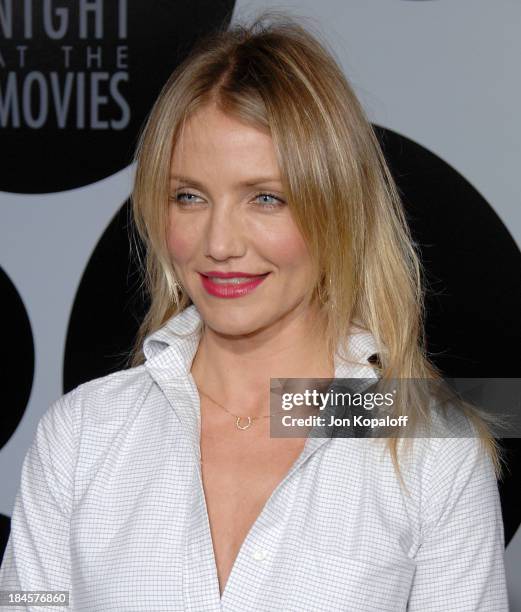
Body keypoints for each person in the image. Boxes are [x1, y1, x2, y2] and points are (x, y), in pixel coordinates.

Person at [0, 10, 509, 611]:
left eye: (266, 198)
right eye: (189, 197)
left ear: (337, 208)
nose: (219, 243)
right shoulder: (84, 433)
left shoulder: (425, 447)